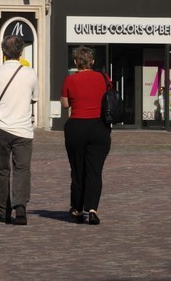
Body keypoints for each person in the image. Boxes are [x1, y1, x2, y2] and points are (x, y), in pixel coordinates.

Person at [0, 35, 38, 225]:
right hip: (23, 129)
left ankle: (3, 211)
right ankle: (20, 208)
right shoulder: (30, 73)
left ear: (3, 52)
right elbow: (34, 98)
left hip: (1, 127)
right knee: (22, 169)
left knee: (2, 170)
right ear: (21, 52)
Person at [61, 46, 113, 225]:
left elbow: (65, 104)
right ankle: (92, 209)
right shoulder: (104, 78)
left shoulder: (70, 80)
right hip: (99, 127)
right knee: (95, 170)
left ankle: (77, 208)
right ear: (92, 61)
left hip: (77, 126)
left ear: (76, 62)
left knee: (78, 169)